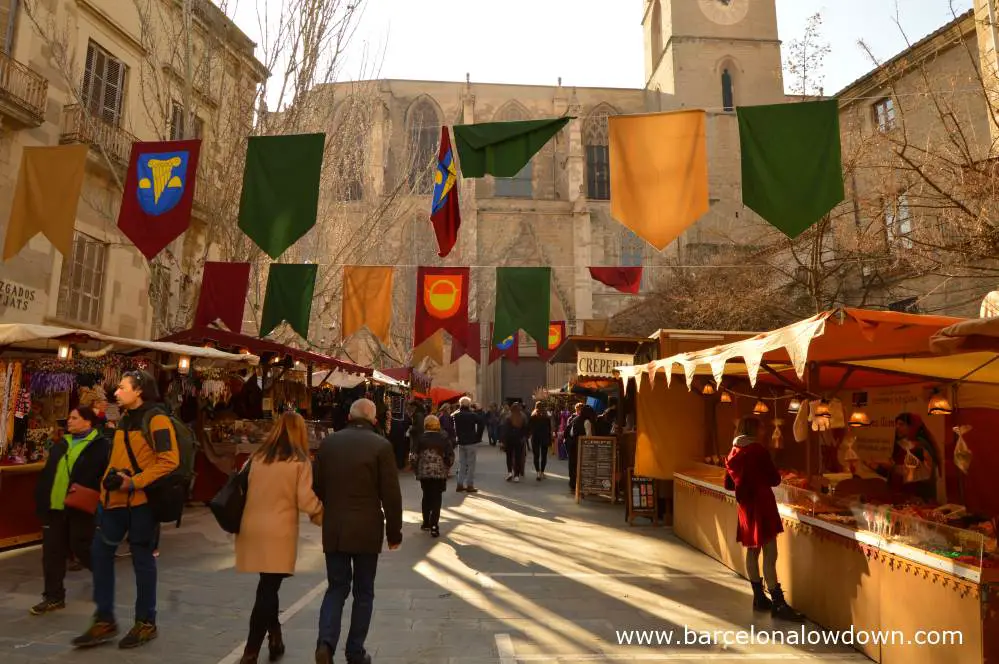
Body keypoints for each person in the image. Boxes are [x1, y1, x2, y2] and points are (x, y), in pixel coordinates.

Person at [73, 370, 179, 649]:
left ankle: (146, 622)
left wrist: (135, 482)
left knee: (142, 560)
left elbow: (169, 461)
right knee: (100, 554)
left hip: (141, 504)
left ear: (139, 390)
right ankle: (104, 620)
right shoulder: (124, 419)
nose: (116, 393)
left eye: (121, 388)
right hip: (113, 503)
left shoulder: (155, 419)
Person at [314, 399, 403, 664]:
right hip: (367, 529)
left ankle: (325, 644)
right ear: (373, 419)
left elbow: (316, 484)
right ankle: (355, 651)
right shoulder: (381, 446)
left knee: (336, 588)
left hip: (335, 528)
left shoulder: (329, 443)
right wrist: (394, 533)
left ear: (350, 416)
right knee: (363, 592)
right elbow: (391, 495)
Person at [235, 412, 324, 663]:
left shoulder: (257, 457)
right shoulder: (299, 461)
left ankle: (275, 636)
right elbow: (306, 500)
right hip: (278, 532)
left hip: (251, 528)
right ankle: (250, 651)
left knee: (268, 585)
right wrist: (322, 516)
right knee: (267, 589)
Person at [32, 406, 110, 616]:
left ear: (88, 422)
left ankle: (103, 574)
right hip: (55, 507)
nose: (70, 421)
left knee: (81, 545)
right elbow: (49, 472)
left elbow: (104, 475)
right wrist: (42, 499)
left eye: (75, 418)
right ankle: (53, 597)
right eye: (69, 418)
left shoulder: (100, 446)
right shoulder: (61, 444)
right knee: (52, 553)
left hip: (80, 507)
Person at [724, 416, 802, 621]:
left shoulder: (733, 452)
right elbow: (774, 479)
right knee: (770, 552)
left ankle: (759, 597)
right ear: (753, 430)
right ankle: (778, 603)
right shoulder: (757, 450)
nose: (764, 432)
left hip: (746, 506)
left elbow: (729, 485)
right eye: (761, 428)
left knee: (752, 550)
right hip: (762, 504)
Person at [881, 413, 942, 503]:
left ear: (912, 426)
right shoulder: (902, 445)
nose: (897, 427)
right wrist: (880, 468)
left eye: (901, 424)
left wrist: (893, 468)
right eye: (896, 424)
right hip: (901, 500)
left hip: (918, 501)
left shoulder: (920, 446)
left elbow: (922, 473)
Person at [411, 415, 454, 537]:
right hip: (439, 473)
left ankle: (425, 523)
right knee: (437, 498)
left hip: (424, 473)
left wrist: (416, 469)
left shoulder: (420, 439)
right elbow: (450, 456)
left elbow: (413, 456)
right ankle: (434, 525)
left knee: (426, 496)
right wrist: (447, 467)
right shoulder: (443, 438)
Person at [452, 396, 484, 493]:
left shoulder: (456, 415)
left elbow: (452, 425)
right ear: (469, 405)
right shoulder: (472, 415)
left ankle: (460, 484)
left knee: (462, 464)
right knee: (471, 464)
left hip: (461, 442)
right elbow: (481, 423)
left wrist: (456, 436)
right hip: (471, 441)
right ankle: (470, 485)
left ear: (460, 404)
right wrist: (478, 437)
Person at [567, 403, 594, 494]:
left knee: (573, 466)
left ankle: (573, 485)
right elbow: (588, 437)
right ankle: (582, 487)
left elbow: (570, 433)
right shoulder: (587, 422)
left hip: (572, 445)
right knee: (581, 467)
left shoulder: (575, 419)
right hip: (582, 447)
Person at [502, 403, 530, 482]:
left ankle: (510, 472)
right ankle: (517, 475)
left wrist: (503, 440)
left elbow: (505, 430)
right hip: (519, 440)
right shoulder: (523, 417)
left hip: (509, 440)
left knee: (509, 457)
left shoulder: (508, 417)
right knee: (518, 457)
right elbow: (526, 429)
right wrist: (524, 437)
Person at [529, 403, 552, 481]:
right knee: (544, 456)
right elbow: (549, 429)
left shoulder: (533, 416)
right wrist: (550, 438)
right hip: (545, 438)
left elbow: (530, 428)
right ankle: (542, 472)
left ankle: (538, 472)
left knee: (536, 456)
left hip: (535, 438)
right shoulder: (547, 417)